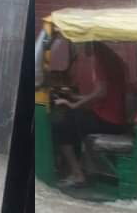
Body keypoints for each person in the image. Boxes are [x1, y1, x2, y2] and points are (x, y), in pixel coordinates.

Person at [51, 41, 127, 187]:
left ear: (90, 42)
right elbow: (105, 94)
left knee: (62, 126)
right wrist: (75, 97)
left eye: (82, 44)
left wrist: (73, 104)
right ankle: (83, 167)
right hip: (114, 120)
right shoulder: (112, 58)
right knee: (75, 119)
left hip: (109, 122)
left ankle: (77, 174)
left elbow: (101, 93)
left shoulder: (101, 60)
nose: (81, 48)